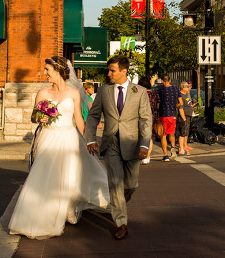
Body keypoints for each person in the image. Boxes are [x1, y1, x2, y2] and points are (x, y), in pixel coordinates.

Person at [9, 56, 110, 240]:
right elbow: (34, 116)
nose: (45, 73)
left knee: (70, 175)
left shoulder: (73, 93)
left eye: (48, 69)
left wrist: (89, 140)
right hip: (49, 137)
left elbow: (79, 119)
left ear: (58, 71)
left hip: (70, 137)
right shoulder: (42, 93)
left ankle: (69, 206)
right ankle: (45, 214)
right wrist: (39, 118)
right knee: (47, 176)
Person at [85, 55, 152, 240]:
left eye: (112, 70)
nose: (109, 74)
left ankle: (118, 203)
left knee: (130, 185)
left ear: (124, 71)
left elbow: (146, 120)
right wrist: (90, 139)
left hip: (132, 143)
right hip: (111, 143)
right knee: (115, 184)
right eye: (109, 70)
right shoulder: (104, 91)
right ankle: (121, 222)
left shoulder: (140, 91)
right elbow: (93, 117)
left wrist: (145, 144)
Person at [157, 75, 182, 162]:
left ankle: (165, 155)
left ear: (162, 81)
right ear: (170, 80)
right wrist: (174, 106)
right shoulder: (176, 89)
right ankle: (172, 147)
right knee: (172, 133)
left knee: (163, 135)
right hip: (173, 115)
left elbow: (158, 104)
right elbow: (180, 102)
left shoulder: (160, 90)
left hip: (163, 115)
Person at [137, 76, 159, 165]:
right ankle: (147, 156)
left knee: (140, 135)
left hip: (140, 116)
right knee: (149, 137)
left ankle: (140, 154)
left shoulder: (139, 93)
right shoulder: (155, 93)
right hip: (152, 116)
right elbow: (158, 106)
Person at [176, 82, 195, 156]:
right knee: (182, 133)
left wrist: (192, 106)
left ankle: (183, 147)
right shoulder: (180, 96)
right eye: (187, 87)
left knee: (185, 132)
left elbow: (188, 103)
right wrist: (183, 118)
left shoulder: (186, 95)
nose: (188, 88)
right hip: (184, 116)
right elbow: (181, 108)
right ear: (183, 88)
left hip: (188, 116)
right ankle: (181, 148)